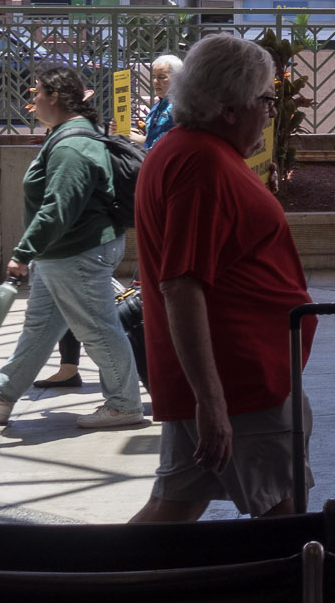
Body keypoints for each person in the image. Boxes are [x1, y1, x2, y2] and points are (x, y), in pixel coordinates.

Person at [130, 35, 316, 521]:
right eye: (266, 100)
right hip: (239, 381)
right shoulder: (202, 163)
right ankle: (297, 597)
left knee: (174, 508)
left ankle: (88, 593)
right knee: (283, 513)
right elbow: (182, 284)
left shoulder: (188, 151)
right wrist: (212, 402)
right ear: (230, 108)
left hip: (231, 377)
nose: (272, 113)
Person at [0, 68, 144, 429]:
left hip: (77, 252)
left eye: (38, 92)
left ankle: (124, 405)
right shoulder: (72, 136)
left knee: (99, 330)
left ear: (55, 97)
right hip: (64, 253)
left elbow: (59, 207)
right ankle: (1, 395)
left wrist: (23, 252)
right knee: (41, 326)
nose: (33, 100)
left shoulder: (73, 145)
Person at [141, 53, 183, 150]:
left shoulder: (181, 108)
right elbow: (152, 141)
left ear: (177, 78)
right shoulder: (158, 106)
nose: (155, 82)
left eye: (161, 77)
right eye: (153, 77)